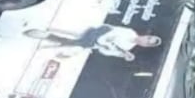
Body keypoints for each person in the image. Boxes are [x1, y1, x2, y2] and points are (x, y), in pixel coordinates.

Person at [24, 24, 161, 61]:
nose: (145, 40)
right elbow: (111, 29)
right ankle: (51, 36)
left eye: (147, 43)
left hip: (93, 42)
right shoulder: (130, 32)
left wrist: (121, 55)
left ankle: (49, 37)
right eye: (148, 38)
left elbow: (105, 52)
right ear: (146, 36)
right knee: (80, 41)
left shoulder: (126, 49)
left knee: (79, 45)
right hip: (98, 32)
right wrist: (108, 38)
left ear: (145, 46)